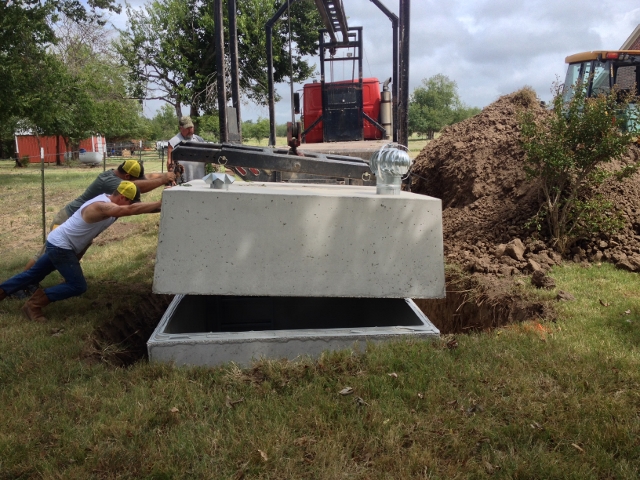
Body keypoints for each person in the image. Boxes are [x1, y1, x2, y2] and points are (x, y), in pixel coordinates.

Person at [0, 182, 162, 322]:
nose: (130, 206)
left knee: (32, 275)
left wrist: (165, 204)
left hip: (59, 243)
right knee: (77, 286)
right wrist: (157, 202)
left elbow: (133, 210)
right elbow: (130, 210)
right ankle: (33, 305)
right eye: (130, 203)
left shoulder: (113, 207)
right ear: (123, 198)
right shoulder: (101, 206)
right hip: (61, 246)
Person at [22, 159, 175, 273]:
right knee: (44, 256)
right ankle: (25, 281)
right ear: (127, 176)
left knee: (70, 259)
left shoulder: (120, 177)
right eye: (134, 179)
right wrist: (162, 181)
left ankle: (44, 279)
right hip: (66, 219)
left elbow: (146, 178)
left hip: (86, 226)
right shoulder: (112, 183)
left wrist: (168, 175)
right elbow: (138, 190)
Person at [167, 116, 206, 183]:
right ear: (180, 128)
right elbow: (170, 161)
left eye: (191, 127)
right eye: (187, 128)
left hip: (200, 180)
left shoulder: (199, 140)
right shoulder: (173, 142)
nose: (190, 130)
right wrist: (172, 179)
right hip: (182, 181)